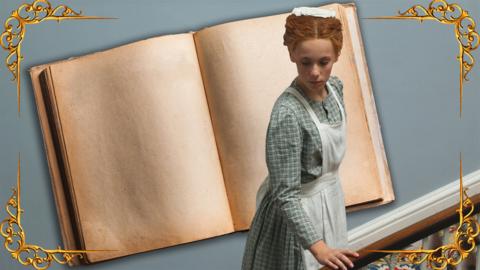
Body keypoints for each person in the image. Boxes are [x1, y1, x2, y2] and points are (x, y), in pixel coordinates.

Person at [241, 6, 360, 270]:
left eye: (324, 62)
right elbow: (286, 195)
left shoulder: (336, 88)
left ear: (336, 55)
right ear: (292, 53)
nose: (315, 72)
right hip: (294, 217)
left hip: (329, 201)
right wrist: (319, 248)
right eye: (306, 62)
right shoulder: (287, 113)